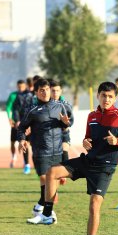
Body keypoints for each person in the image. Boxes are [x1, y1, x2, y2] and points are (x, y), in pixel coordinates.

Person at [26, 81, 118, 235]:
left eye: (110, 96)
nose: (106, 99)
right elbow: (87, 138)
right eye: (103, 95)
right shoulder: (92, 116)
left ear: (115, 98)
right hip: (88, 161)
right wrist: (85, 142)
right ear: (98, 96)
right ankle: (47, 213)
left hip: (104, 167)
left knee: (94, 205)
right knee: (52, 173)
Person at [17, 78, 71, 223]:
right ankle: (48, 212)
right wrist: (22, 139)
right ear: (36, 93)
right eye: (41, 90)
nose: (45, 92)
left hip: (57, 151)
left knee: (53, 182)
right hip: (41, 151)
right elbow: (21, 127)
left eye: (47, 89)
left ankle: (43, 211)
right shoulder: (32, 110)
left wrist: (66, 123)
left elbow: (68, 122)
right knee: (44, 179)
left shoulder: (60, 106)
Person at [49, 80, 73, 185]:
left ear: (61, 91)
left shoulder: (66, 105)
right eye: (53, 91)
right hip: (49, 136)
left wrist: (65, 124)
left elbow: (70, 123)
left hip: (63, 134)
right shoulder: (45, 105)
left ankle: (65, 173)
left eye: (57, 91)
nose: (55, 93)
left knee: (64, 150)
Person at [13, 81, 34, 174]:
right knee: (24, 144)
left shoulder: (33, 95)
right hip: (23, 124)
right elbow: (15, 109)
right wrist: (17, 120)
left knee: (35, 145)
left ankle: (38, 165)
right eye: (19, 87)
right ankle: (27, 165)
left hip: (33, 123)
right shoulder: (18, 96)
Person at [6, 80, 27, 168]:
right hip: (15, 123)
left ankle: (26, 162)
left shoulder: (28, 95)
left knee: (25, 143)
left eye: (22, 87)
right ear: (17, 86)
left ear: (25, 86)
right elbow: (8, 107)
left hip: (25, 123)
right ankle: (13, 157)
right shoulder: (13, 95)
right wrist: (10, 118)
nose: (21, 88)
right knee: (12, 142)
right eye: (19, 87)